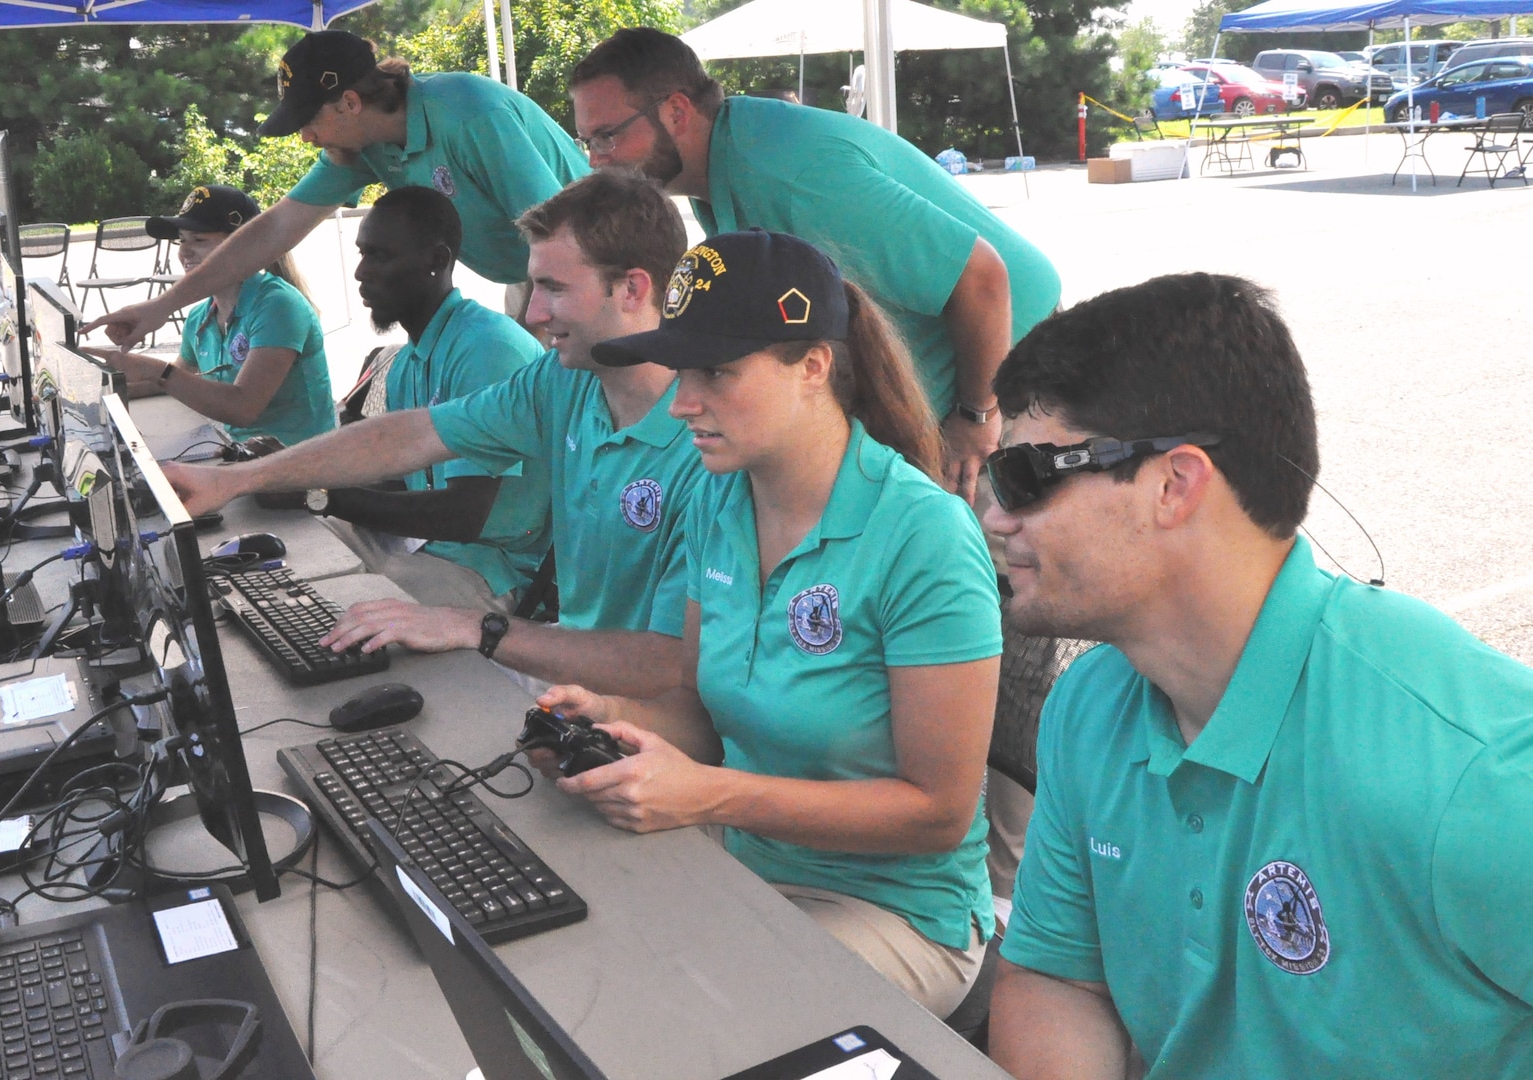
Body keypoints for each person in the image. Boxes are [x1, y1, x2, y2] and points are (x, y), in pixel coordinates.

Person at [983, 273, 1533, 1079]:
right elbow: (1057, 973)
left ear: (1175, 483)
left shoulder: (1468, 770)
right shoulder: (1089, 707)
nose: (995, 513)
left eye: (1025, 475)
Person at [536, 230, 1003, 1016]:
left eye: (716, 371)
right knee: (563, 958)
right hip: (746, 859)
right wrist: (612, 719)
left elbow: (939, 811)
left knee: (684, 1022)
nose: (684, 400)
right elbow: (697, 707)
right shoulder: (718, 497)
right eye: (682, 370)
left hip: (893, 909)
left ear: (813, 366)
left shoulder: (923, 535)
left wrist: (709, 797)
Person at [160, 171, 706, 699]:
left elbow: (671, 665)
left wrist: (480, 629)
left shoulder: (708, 442)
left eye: (553, 288)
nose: (535, 313)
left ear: (633, 288)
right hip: (578, 677)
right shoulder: (565, 380)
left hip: (636, 716)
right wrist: (235, 479)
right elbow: (415, 435)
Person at [567, 26, 1061, 505]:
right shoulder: (721, 166)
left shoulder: (790, 175)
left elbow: (982, 278)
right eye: (587, 141)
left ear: (676, 110)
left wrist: (978, 418)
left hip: (1009, 366)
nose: (595, 159)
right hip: (944, 383)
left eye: (606, 136)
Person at [84, 29, 588, 349]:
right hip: (531, 277)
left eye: (308, 121)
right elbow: (274, 230)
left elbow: (562, 235)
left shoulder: (470, 110)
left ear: (349, 102)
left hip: (588, 264)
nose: (304, 137)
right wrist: (159, 308)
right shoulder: (361, 147)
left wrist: (533, 335)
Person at [310, 185, 552, 613]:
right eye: (362, 253)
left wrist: (325, 495)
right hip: (436, 548)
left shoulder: (486, 349)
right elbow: (403, 482)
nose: (361, 273)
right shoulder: (409, 360)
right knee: (311, 543)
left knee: (366, 602)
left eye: (380, 256)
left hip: (498, 569)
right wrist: (296, 482)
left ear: (436, 261)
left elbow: (462, 515)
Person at [90, 184, 334, 448]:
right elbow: (174, 380)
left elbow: (243, 407)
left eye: (200, 240)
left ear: (242, 245)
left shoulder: (277, 305)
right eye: (182, 240)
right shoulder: (201, 315)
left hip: (301, 464)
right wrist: (102, 388)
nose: (185, 251)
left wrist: (154, 370)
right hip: (243, 451)